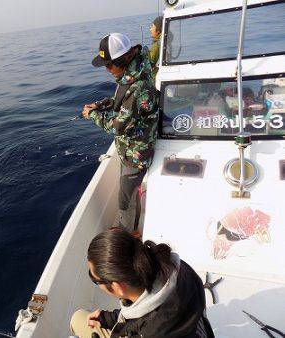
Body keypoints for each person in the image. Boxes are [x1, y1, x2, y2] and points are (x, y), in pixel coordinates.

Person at [70, 228, 215, 338]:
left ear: (118, 287)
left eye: (95, 280)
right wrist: (109, 318)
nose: (94, 281)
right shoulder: (178, 268)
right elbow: (146, 314)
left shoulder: (149, 332)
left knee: (77, 319)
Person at [82, 33, 158, 230]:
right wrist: (99, 105)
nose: (107, 70)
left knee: (125, 200)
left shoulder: (137, 86)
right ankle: (132, 226)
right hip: (131, 147)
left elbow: (117, 126)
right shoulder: (135, 71)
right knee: (130, 193)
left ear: (122, 60)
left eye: (108, 65)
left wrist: (92, 115)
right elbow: (122, 100)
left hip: (136, 153)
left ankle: (127, 235)